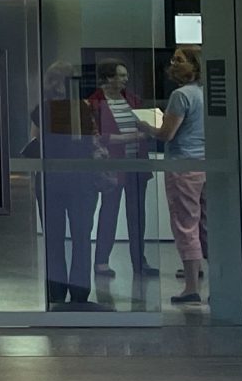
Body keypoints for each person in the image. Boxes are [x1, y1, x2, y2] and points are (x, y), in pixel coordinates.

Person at [88, 60, 155, 283]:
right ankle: (101, 261)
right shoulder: (94, 103)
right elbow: (97, 137)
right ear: (108, 78)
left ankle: (139, 261)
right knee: (109, 213)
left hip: (136, 165)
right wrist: (132, 137)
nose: (125, 79)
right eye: (121, 75)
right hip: (112, 167)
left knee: (138, 215)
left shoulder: (133, 100)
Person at [153, 46, 210, 306]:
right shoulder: (205, 93)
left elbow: (167, 134)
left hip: (183, 166)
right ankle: (211, 280)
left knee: (185, 224)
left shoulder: (180, 95)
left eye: (179, 59)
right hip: (206, 164)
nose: (173, 64)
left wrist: (147, 126)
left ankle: (191, 286)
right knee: (206, 225)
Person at [39, 62, 95, 308]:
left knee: (60, 237)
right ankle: (74, 291)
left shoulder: (45, 110)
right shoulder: (79, 109)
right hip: (73, 179)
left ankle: (58, 291)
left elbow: (35, 141)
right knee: (77, 236)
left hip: (62, 179)